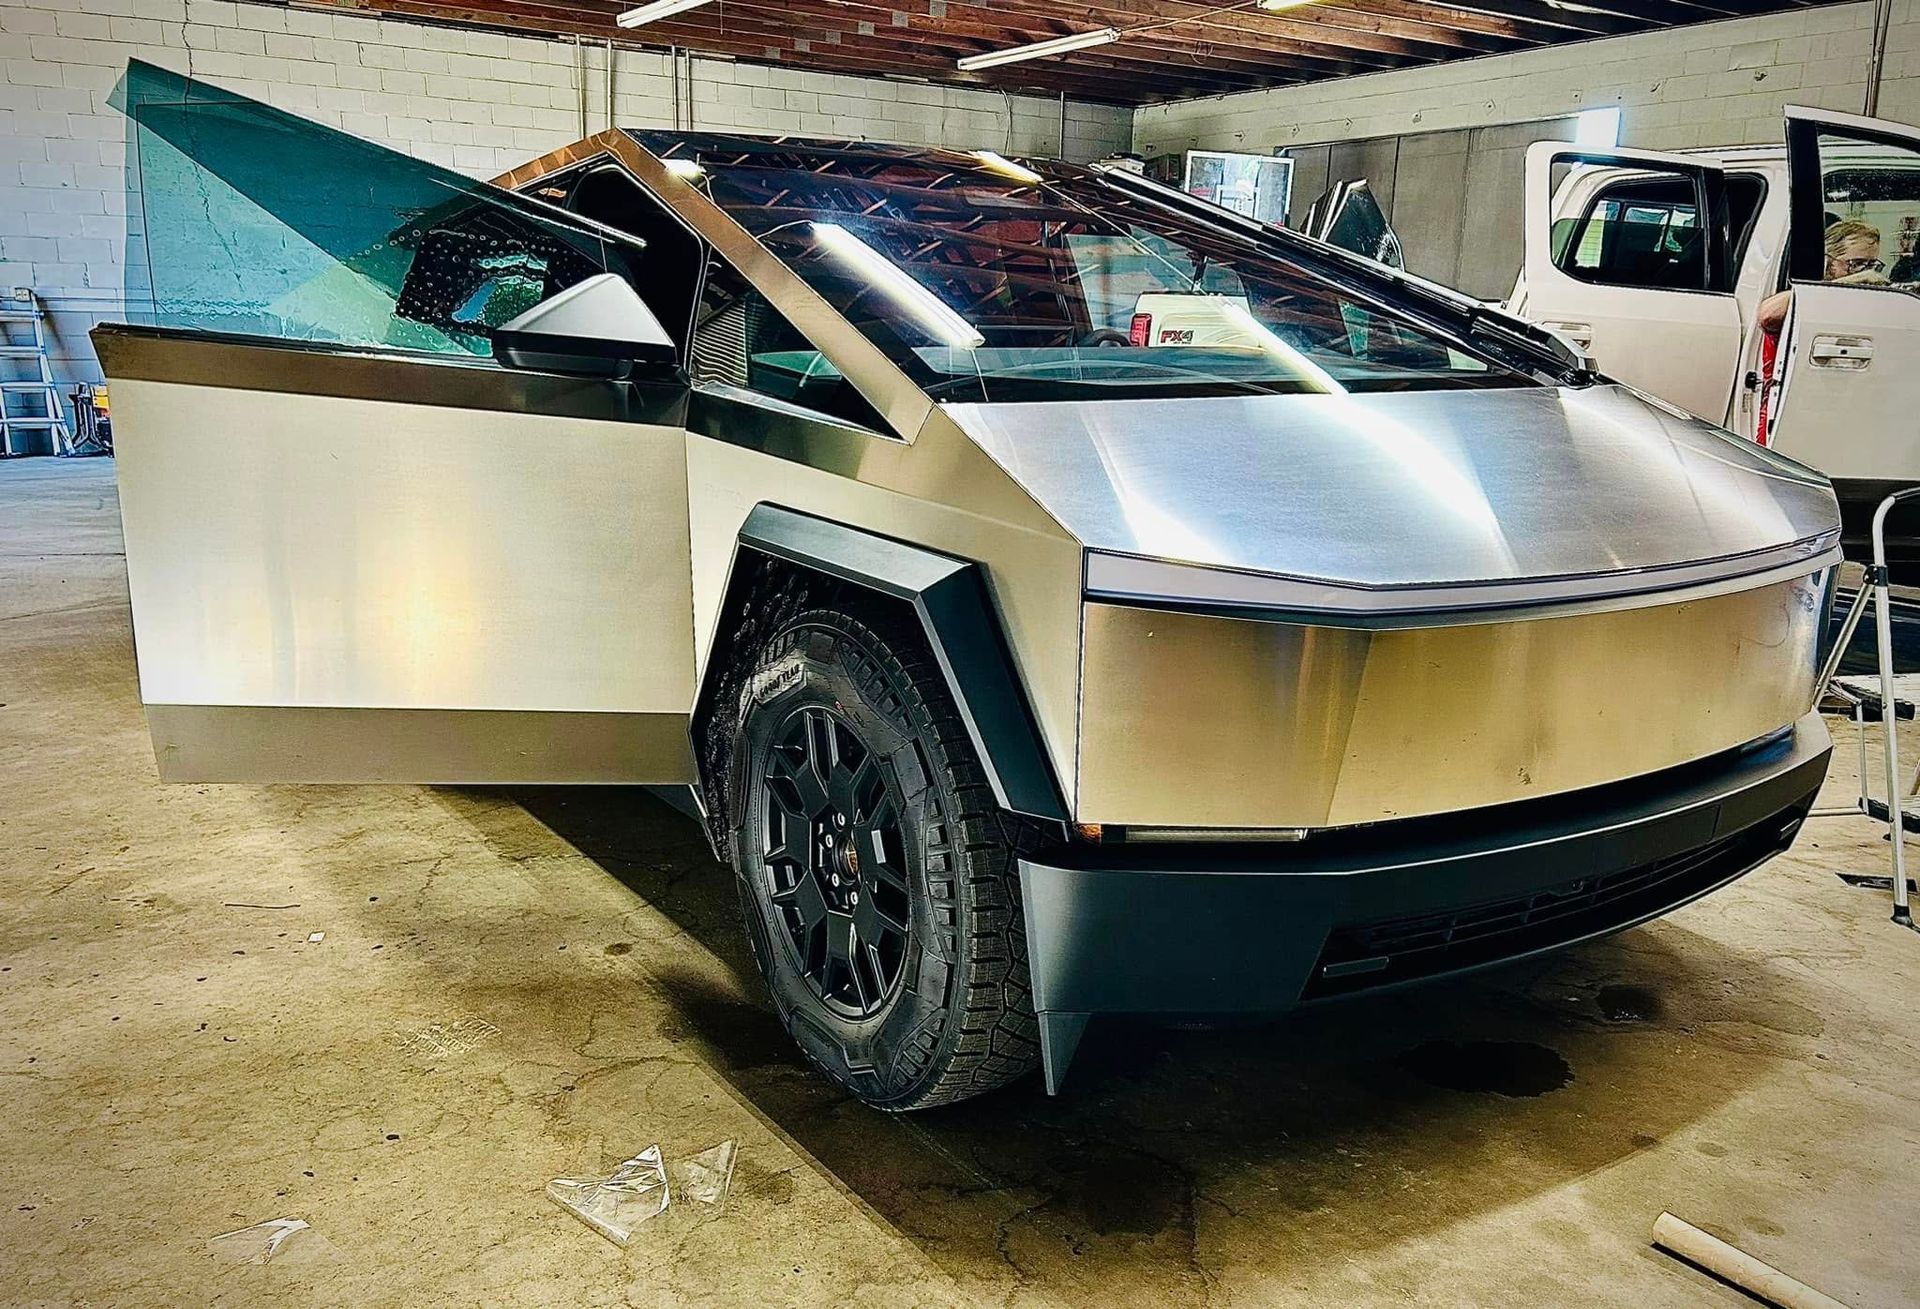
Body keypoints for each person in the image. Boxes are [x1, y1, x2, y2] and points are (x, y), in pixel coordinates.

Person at [1757, 218, 1886, 334]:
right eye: (1856, 264)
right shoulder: (1810, 300)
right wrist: (1851, 282)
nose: (1866, 273)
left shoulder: (1866, 303)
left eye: (1871, 265)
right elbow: (1768, 315)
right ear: (1827, 262)